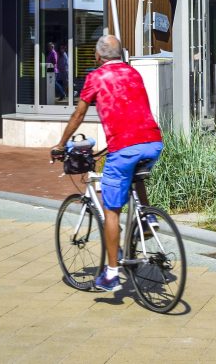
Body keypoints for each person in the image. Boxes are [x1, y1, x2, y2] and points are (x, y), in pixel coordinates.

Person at [52, 36, 163, 293]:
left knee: (111, 209)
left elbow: (79, 114)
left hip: (125, 147)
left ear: (98, 56)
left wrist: (61, 144)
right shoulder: (133, 73)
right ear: (121, 54)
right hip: (153, 143)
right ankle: (146, 219)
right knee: (135, 176)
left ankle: (111, 274)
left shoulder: (96, 77)